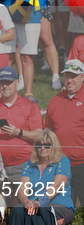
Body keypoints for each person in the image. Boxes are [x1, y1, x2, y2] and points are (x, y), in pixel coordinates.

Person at [6, 129, 74, 225]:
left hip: (60, 205)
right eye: (39, 145)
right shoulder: (29, 164)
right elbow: (22, 188)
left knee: (41, 211)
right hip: (33, 204)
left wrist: (38, 201)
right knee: (17, 210)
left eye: (47, 145)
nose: (42, 148)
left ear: (53, 146)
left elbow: (57, 186)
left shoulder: (63, 161)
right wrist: (27, 202)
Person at [0, 66, 43, 194]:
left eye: (8, 82)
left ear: (17, 83)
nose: (5, 86)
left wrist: (18, 132)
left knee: (22, 206)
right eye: (2, 83)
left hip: (24, 165)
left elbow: (40, 135)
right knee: (0, 208)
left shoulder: (30, 106)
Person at [44, 59, 84, 205]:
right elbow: (48, 131)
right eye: (67, 76)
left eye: (73, 76)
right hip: (60, 165)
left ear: (82, 77)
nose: (69, 80)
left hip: (82, 164)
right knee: (61, 208)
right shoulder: (55, 100)